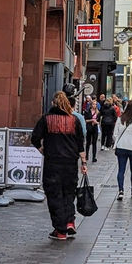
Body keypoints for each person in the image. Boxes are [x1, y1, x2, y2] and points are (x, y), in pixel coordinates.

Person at [31, 91, 86, 241]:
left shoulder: (46, 119)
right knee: (69, 193)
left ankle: (60, 230)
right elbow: (80, 143)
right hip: (70, 163)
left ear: (54, 103)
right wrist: (84, 163)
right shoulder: (74, 120)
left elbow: (35, 137)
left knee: (54, 195)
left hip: (53, 163)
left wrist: (42, 149)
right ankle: (69, 221)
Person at [113, 100, 132, 199]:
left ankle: (121, 190)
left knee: (121, 169)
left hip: (121, 146)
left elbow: (115, 134)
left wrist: (117, 141)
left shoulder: (120, 118)